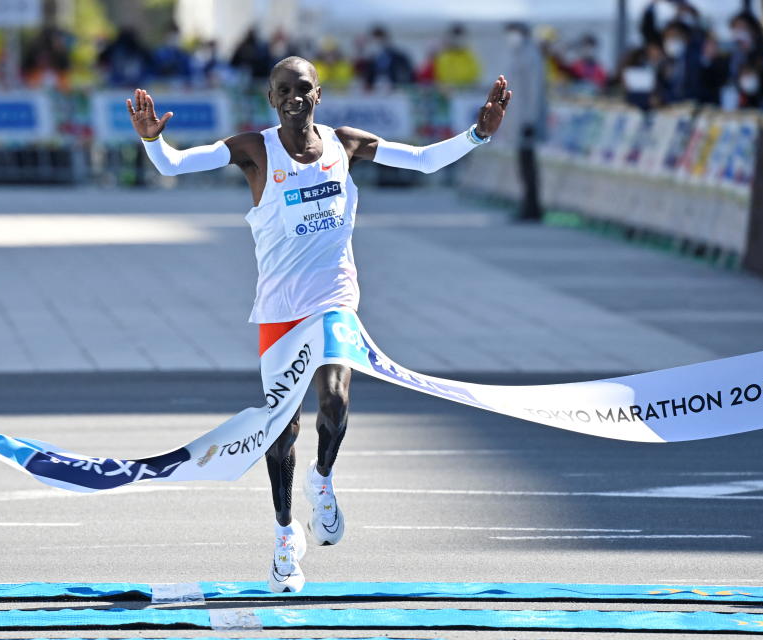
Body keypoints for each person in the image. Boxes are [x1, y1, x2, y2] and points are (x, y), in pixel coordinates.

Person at [127, 57, 511, 592]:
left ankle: (323, 480)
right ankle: (286, 537)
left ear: (318, 95)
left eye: (303, 88)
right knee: (281, 430)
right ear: (270, 98)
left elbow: (421, 160)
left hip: (333, 301)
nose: (294, 97)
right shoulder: (254, 150)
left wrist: (477, 134)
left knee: (334, 401)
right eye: (283, 89)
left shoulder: (345, 145)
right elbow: (173, 166)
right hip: (279, 310)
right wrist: (152, 142)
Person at [504, 22, 545, 222]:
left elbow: (534, 91)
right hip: (519, 119)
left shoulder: (530, 55)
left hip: (526, 120)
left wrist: (530, 120)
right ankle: (528, 204)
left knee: (528, 165)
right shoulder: (519, 54)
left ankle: (532, 207)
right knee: (523, 165)